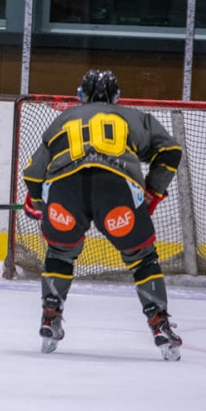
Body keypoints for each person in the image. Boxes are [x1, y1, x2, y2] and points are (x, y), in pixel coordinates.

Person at [22, 69, 184, 360]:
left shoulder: (63, 118)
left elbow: (33, 173)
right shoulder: (133, 117)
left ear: (80, 95)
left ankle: (50, 316)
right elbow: (170, 151)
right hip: (116, 190)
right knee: (142, 257)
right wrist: (153, 191)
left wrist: (39, 201)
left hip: (64, 191)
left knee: (60, 253)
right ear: (117, 97)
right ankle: (159, 324)